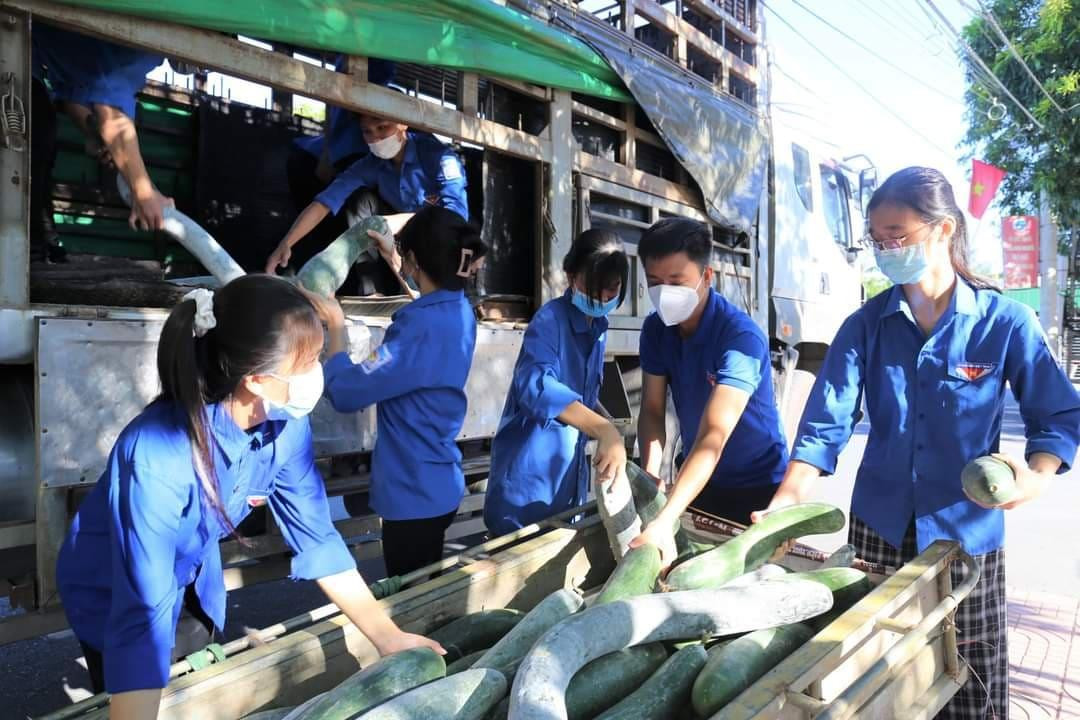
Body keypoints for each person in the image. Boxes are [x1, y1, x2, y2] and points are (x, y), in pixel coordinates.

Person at [755, 166, 1080, 720]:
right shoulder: (865, 326)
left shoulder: (1003, 322)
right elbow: (823, 427)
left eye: (897, 236)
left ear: (944, 230)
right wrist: (785, 505)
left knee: (969, 680)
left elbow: (1057, 413)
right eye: (877, 239)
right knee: (873, 677)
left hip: (965, 538)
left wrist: (1036, 475)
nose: (886, 249)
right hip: (878, 531)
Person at [56, 275, 444, 715]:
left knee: (193, 675)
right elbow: (139, 615)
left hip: (190, 574)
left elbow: (317, 537)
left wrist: (388, 638)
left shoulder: (285, 424)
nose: (318, 373)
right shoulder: (156, 453)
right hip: (112, 588)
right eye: (309, 361)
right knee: (139, 675)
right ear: (256, 380)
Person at [305, 205, 487, 576]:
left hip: (412, 493)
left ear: (417, 261)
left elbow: (346, 392)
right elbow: (430, 309)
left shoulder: (417, 328)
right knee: (428, 588)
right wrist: (404, 267)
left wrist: (336, 326)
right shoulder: (460, 310)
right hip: (438, 482)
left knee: (413, 606)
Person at [627, 218, 789, 561]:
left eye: (676, 281)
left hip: (758, 485)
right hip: (700, 481)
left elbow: (712, 436)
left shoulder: (739, 338)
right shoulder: (656, 330)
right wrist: (652, 476)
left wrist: (665, 518)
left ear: (707, 277)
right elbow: (653, 410)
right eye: (654, 282)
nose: (664, 292)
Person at [484, 230, 631, 537]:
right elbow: (536, 386)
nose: (604, 298)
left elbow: (583, 397)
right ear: (570, 275)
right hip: (526, 493)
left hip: (564, 487)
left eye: (612, 289)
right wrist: (602, 428)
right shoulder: (550, 320)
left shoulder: (598, 326)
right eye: (594, 289)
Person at [267, 113, 469, 296]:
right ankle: (372, 291)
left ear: (403, 123)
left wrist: (388, 222)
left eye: (382, 128)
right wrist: (286, 243)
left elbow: (456, 215)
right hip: (403, 234)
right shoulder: (371, 164)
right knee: (361, 202)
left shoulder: (440, 157)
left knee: (444, 244)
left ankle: (438, 292)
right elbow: (324, 203)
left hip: (444, 233)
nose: (376, 139)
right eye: (367, 132)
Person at [31, 24, 173, 262]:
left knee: (39, 136)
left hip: (25, 51)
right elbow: (111, 112)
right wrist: (144, 193)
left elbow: (72, 93)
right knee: (28, 141)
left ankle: (36, 250)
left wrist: (92, 133)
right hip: (12, 44)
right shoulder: (150, 39)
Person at [285, 57, 396, 268]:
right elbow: (325, 201)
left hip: (356, 154)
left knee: (358, 205)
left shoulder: (381, 53)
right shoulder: (340, 58)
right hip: (338, 153)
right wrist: (327, 151)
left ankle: (366, 279)